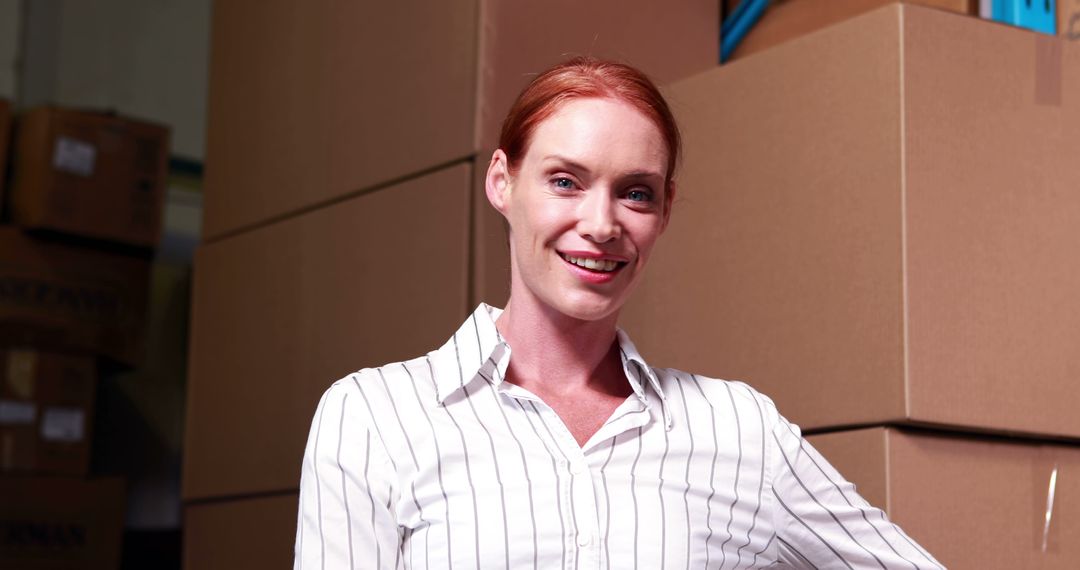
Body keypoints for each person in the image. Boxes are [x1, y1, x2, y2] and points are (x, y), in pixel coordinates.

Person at [294, 57, 942, 569]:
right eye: (565, 181)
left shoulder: (740, 431)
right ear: (503, 182)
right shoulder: (373, 418)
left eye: (636, 193)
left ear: (663, 211)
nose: (602, 225)